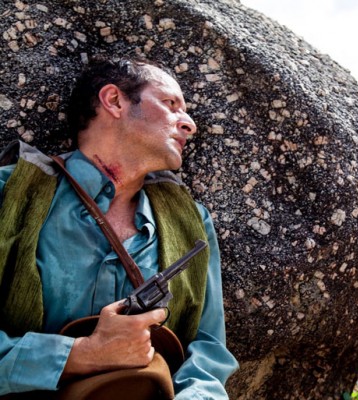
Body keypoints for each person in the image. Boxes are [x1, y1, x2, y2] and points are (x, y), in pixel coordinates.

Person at [0, 56, 238, 398]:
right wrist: (80, 356)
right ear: (114, 101)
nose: (189, 123)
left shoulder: (193, 221)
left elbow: (208, 350)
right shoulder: (8, 195)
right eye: (171, 104)